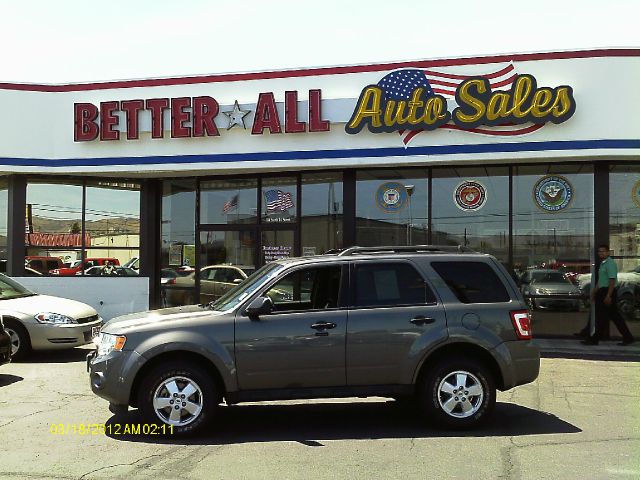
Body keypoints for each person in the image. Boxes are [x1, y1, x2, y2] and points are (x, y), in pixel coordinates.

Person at [582, 244, 635, 346]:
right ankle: (628, 337)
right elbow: (601, 281)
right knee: (611, 317)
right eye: (599, 251)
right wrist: (594, 292)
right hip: (602, 291)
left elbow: (612, 280)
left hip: (608, 292)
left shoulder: (610, 264)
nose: (601, 253)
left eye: (603, 251)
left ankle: (594, 339)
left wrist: (608, 295)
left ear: (608, 252)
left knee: (605, 317)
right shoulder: (603, 264)